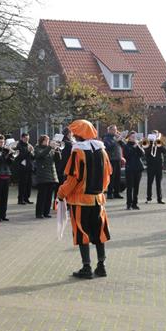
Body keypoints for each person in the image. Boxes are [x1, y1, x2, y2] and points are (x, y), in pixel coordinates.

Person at [57, 119, 112, 279]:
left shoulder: (78, 152)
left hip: (80, 200)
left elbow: (73, 178)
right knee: (99, 232)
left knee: (82, 232)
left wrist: (61, 193)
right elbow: (108, 175)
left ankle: (86, 267)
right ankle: (101, 266)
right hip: (98, 199)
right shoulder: (102, 151)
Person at [34, 135, 61, 219]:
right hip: (43, 175)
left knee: (49, 196)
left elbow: (58, 160)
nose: (47, 142)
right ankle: (39, 213)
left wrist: (57, 150)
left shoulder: (50, 149)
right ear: (41, 141)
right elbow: (40, 155)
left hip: (51, 175)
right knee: (42, 196)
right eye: (46, 140)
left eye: (48, 140)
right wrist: (50, 147)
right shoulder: (37, 148)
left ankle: (46, 212)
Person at [122, 131, 145, 210]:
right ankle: (129, 204)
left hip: (138, 168)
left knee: (136, 187)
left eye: (135, 137)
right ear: (129, 138)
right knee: (129, 187)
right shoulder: (126, 146)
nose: (134, 138)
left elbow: (142, 154)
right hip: (130, 169)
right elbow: (127, 155)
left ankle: (135, 204)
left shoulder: (138, 145)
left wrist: (138, 146)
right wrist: (134, 146)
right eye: (132, 137)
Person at [144, 131, 166, 204]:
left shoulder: (161, 142)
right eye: (153, 134)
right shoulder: (147, 142)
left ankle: (160, 199)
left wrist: (159, 144)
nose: (155, 136)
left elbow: (165, 151)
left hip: (159, 165)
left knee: (159, 183)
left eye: (156, 134)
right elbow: (146, 153)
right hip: (150, 165)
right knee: (149, 182)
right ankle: (149, 198)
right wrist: (151, 144)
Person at [102, 125, 124, 199]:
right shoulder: (106, 138)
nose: (116, 131)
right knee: (112, 177)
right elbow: (108, 147)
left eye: (116, 129)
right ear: (110, 130)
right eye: (114, 130)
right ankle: (110, 193)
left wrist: (121, 139)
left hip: (118, 159)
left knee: (117, 177)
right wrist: (116, 141)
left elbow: (122, 146)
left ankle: (116, 193)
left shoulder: (116, 137)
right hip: (111, 160)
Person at [53, 128, 74, 205]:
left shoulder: (59, 142)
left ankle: (56, 203)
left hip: (59, 166)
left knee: (58, 185)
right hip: (66, 166)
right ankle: (64, 203)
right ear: (68, 134)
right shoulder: (69, 143)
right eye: (71, 133)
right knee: (65, 185)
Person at [15, 132, 34, 205]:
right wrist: (28, 152)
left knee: (29, 184)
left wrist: (32, 152)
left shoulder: (29, 145)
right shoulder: (19, 146)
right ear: (22, 138)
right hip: (22, 168)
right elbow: (20, 156)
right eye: (26, 138)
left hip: (29, 167)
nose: (27, 140)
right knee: (22, 184)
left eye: (28, 139)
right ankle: (20, 199)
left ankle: (26, 198)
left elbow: (33, 157)